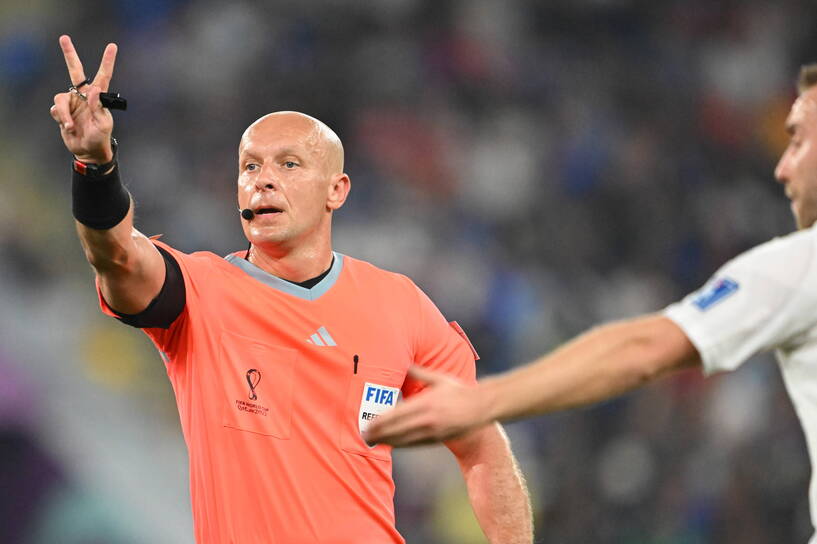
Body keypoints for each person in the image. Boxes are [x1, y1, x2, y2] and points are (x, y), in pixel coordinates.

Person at [49, 35, 532, 544]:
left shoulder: (400, 305)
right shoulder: (197, 294)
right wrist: (96, 165)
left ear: (336, 190)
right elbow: (116, 255)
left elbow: (480, 441)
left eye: (289, 164)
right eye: (250, 166)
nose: (263, 180)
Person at [366, 63, 817, 542]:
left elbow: (645, 348)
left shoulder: (802, 263)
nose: (781, 165)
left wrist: (479, 402)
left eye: (798, 141)